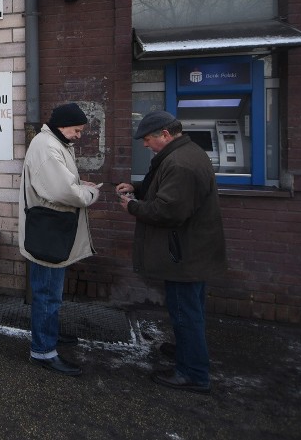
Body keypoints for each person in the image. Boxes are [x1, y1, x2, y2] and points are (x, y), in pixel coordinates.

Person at [116, 110, 227, 395]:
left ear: (165, 135)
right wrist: (138, 188)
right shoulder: (186, 153)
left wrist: (132, 206)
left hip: (184, 255)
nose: (144, 144)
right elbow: (167, 191)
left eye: (148, 139)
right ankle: (188, 353)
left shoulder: (180, 163)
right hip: (191, 250)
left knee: (184, 311)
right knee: (190, 308)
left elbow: (168, 210)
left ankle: (192, 373)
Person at [19, 103, 100, 377]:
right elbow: (67, 194)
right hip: (50, 232)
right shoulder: (47, 147)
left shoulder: (54, 143)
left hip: (52, 230)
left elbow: (61, 184)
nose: (79, 135)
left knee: (51, 292)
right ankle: (43, 351)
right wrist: (89, 194)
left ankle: (49, 333)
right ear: (62, 125)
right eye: (76, 130)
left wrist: (78, 186)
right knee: (47, 294)